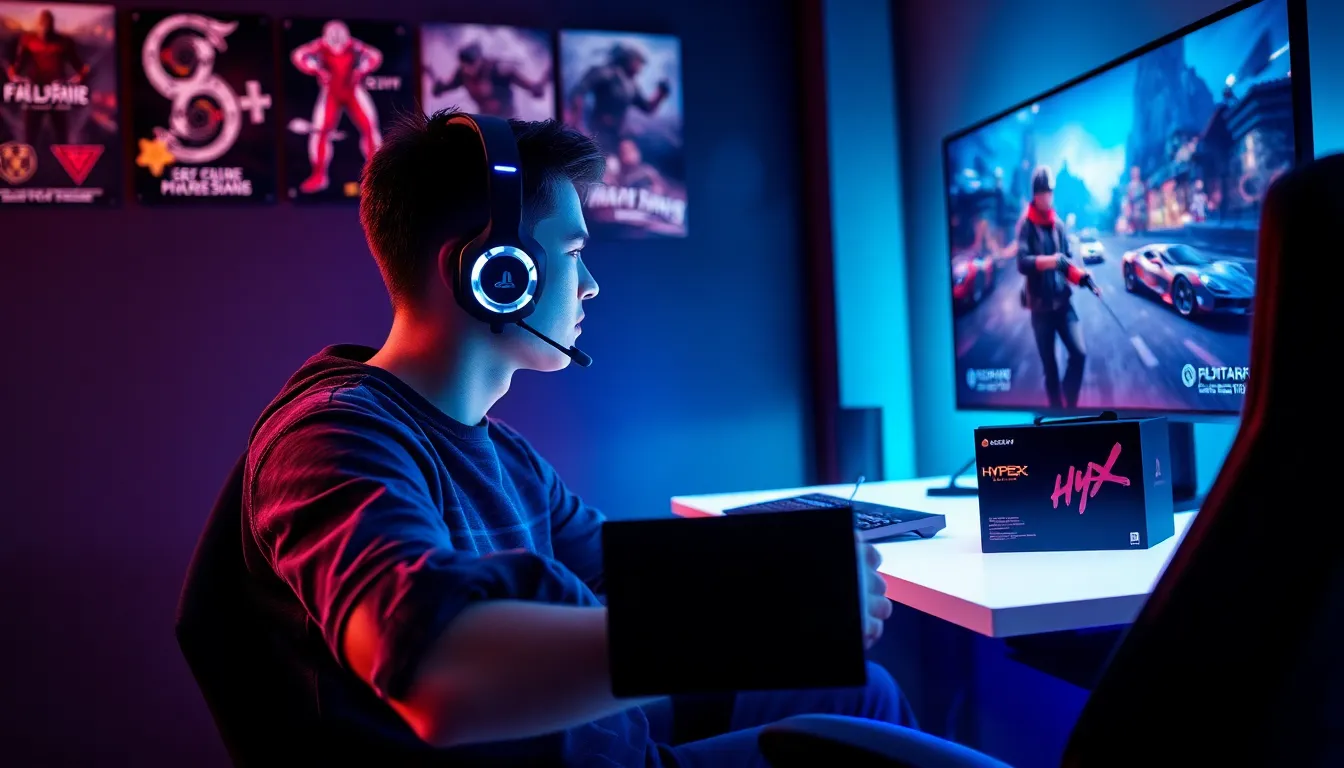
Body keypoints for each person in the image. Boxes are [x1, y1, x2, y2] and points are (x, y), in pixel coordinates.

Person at [232, 108, 914, 766]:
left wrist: (784, 566)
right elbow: (436, 674)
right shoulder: (331, 438)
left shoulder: (507, 457)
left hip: (607, 739)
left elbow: (618, 581)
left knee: (863, 694)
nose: (589, 286)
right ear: (495, 275)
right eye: (573, 253)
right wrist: (766, 609)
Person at [1016, 165, 1098, 410]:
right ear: (1035, 194)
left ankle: (1069, 408)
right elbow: (1022, 262)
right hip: (1040, 309)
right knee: (1050, 369)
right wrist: (1049, 261)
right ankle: (1056, 415)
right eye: (1042, 192)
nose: (1046, 196)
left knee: (1079, 354)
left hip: (1063, 304)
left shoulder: (1058, 225)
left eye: (1049, 191)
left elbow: (1066, 264)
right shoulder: (1027, 226)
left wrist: (1083, 277)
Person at [290, 20, 383, 194]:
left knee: (370, 128)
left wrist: (361, 70)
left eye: (340, 36)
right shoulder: (320, 45)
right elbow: (299, 55)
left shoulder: (353, 45)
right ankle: (319, 175)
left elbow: (375, 55)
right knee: (320, 132)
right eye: (333, 37)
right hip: (330, 93)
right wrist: (315, 69)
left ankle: (377, 175)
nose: (337, 41)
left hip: (353, 91)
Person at [565, 43, 670, 154]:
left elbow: (647, 108)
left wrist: (660, 94)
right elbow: (578, 92)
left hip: (617, 136)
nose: (640, 68)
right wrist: (576, 123)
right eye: (638, 62)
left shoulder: (631, 85)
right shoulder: (606, 73)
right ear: (629, 59)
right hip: (598, 131)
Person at [6, 8, 90, 145]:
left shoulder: (63, 42)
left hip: (57, 94)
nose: (45, 27)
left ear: (52, 24)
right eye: (42, 23)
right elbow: (18, 64)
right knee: (30, 136)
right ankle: (29, 163)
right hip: (35, 93)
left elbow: (78, 66)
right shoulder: (28, 41)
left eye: (48, 23)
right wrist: (13, 74)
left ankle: (62, 163)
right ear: (38, 24)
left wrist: (78, 78)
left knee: (61, 136)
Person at [430, 41, 548, 118]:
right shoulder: (462, 74)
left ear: (479, 60)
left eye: (471, 63)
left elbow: (527, 85)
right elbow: (448, 86)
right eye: (464, 65)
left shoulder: (497, 70)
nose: (467, 69)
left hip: (507, 121)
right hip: (486, 120)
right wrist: (439, 87)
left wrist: (534, 88)